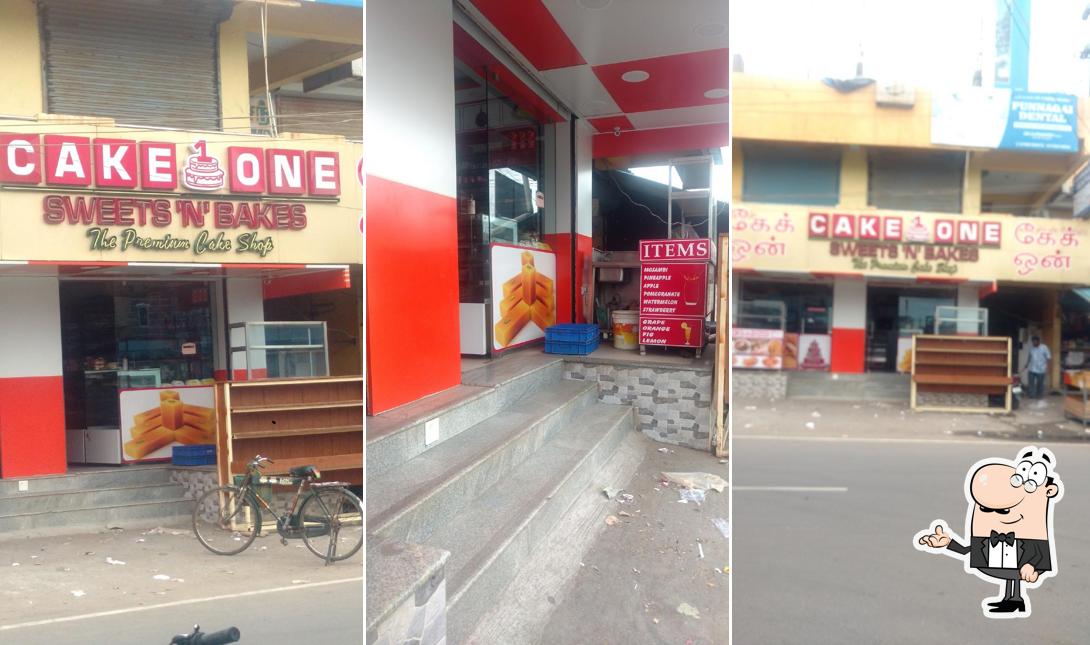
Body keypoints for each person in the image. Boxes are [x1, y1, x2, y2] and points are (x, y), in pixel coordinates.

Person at [915, 446, 1062, 617]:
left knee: (1014, 574)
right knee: (1010, 575)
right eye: (985, 509)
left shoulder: (1033, 537)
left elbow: (1039, 555)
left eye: (1003, 511)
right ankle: (1010, 599)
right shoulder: (988, 537)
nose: (997, 515)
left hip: (1022, 565)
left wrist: (1033, 567)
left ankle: (1015, 600)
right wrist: (948, 543)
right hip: (1001, 563)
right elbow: (969, 551)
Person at [1026, 335, 1051, 400]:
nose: (1034, 343)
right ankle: (1032, 395)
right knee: (1031, 383)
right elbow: (1029, 356)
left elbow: (1048, 357)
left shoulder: (1044, 347)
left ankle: (1039, 395)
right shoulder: (1032, 348)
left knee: (1040, 384)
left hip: (1041, 369)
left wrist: (1048, 367)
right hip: (1032, 368)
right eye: (1033, 342)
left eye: (1035, 342)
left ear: (1038, 341)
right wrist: (1027, 364)